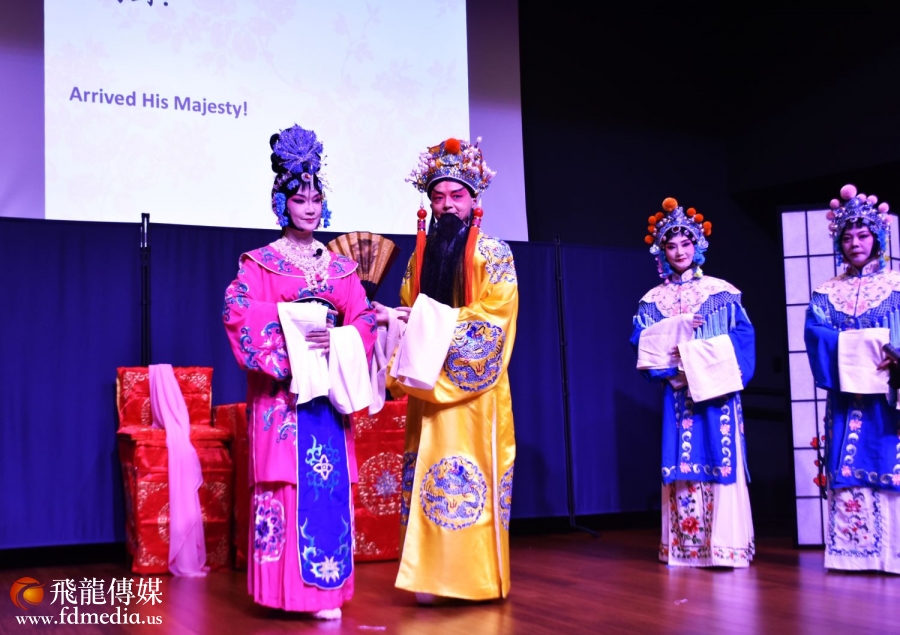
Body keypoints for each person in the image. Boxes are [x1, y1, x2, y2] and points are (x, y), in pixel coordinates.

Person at [222, 124, 377, 619]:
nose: (309, 208)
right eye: (298, 199)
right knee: (286, 484)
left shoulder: (340, 269)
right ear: (281, 203)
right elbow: (237, 310)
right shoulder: (261, 263)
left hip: (327, 396)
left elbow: (363, 318)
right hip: (284, 399)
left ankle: (326, 594)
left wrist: (339, 339)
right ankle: (282, 593)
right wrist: (293, 333)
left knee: (327, 487)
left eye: (316, 199)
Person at [378, 136, 518, 602]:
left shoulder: (494, 254)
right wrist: (395, 321)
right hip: (428, 389)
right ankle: (428, 578)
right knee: (426, 476)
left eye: (457, 195)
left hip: (475, 393)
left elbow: (495, 319)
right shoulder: (418, 259)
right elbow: (407, 313)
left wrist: (425, 322)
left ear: (474, 199)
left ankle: (473, 579)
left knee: (469, 476)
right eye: (438, 197)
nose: (447, 205)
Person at [631, 197, 756, 567]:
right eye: (671, 245)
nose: (680, 251)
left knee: (722, 458)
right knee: (682, 463)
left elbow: (743, 340)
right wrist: (674, 364)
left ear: (698, 245)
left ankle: (727, 548)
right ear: (662, 251)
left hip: (718, 395)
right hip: (678, 393)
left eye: (686, 243)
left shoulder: (722, 293)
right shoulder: (652, 301)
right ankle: (686, 549)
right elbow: (642, 344)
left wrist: (698, 360)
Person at [804, 184, 900, 573]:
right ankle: (855, 554)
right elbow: (815, 335)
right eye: (847, 237)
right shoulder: (826, 293)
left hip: (889, 394)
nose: (855, 243)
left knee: (891, 457)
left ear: (877, 238)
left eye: (862, 235)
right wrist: (855, 346)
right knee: (847, 459)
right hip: (846, 397)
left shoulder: (896, 285)